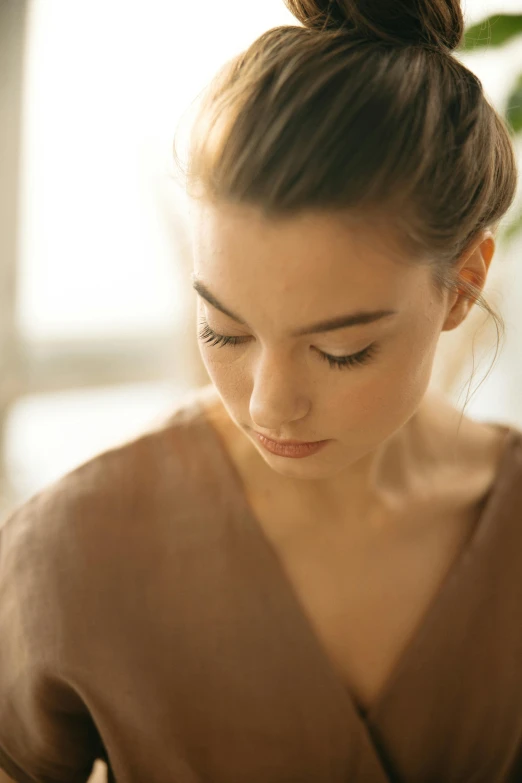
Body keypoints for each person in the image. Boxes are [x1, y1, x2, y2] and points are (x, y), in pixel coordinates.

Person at [1, 0, 522, 781]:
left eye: (341, 349)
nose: (267, 404)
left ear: (462, 285)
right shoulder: (68, 553)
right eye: (224, 331)